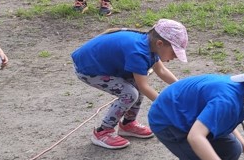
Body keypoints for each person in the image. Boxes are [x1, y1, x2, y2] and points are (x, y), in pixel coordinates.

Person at [71, 19, 188, 149]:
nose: (175, 57)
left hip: (104, 65)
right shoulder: (138, 52)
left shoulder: (151, 45)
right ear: (160, 43)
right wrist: (168, 105)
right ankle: (102, 131)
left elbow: (161, 71)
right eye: (174, 53)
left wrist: (183, 88)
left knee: (136, 89)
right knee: (130, 93)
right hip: (89, 69)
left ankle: (128, 124)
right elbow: (144, 86)